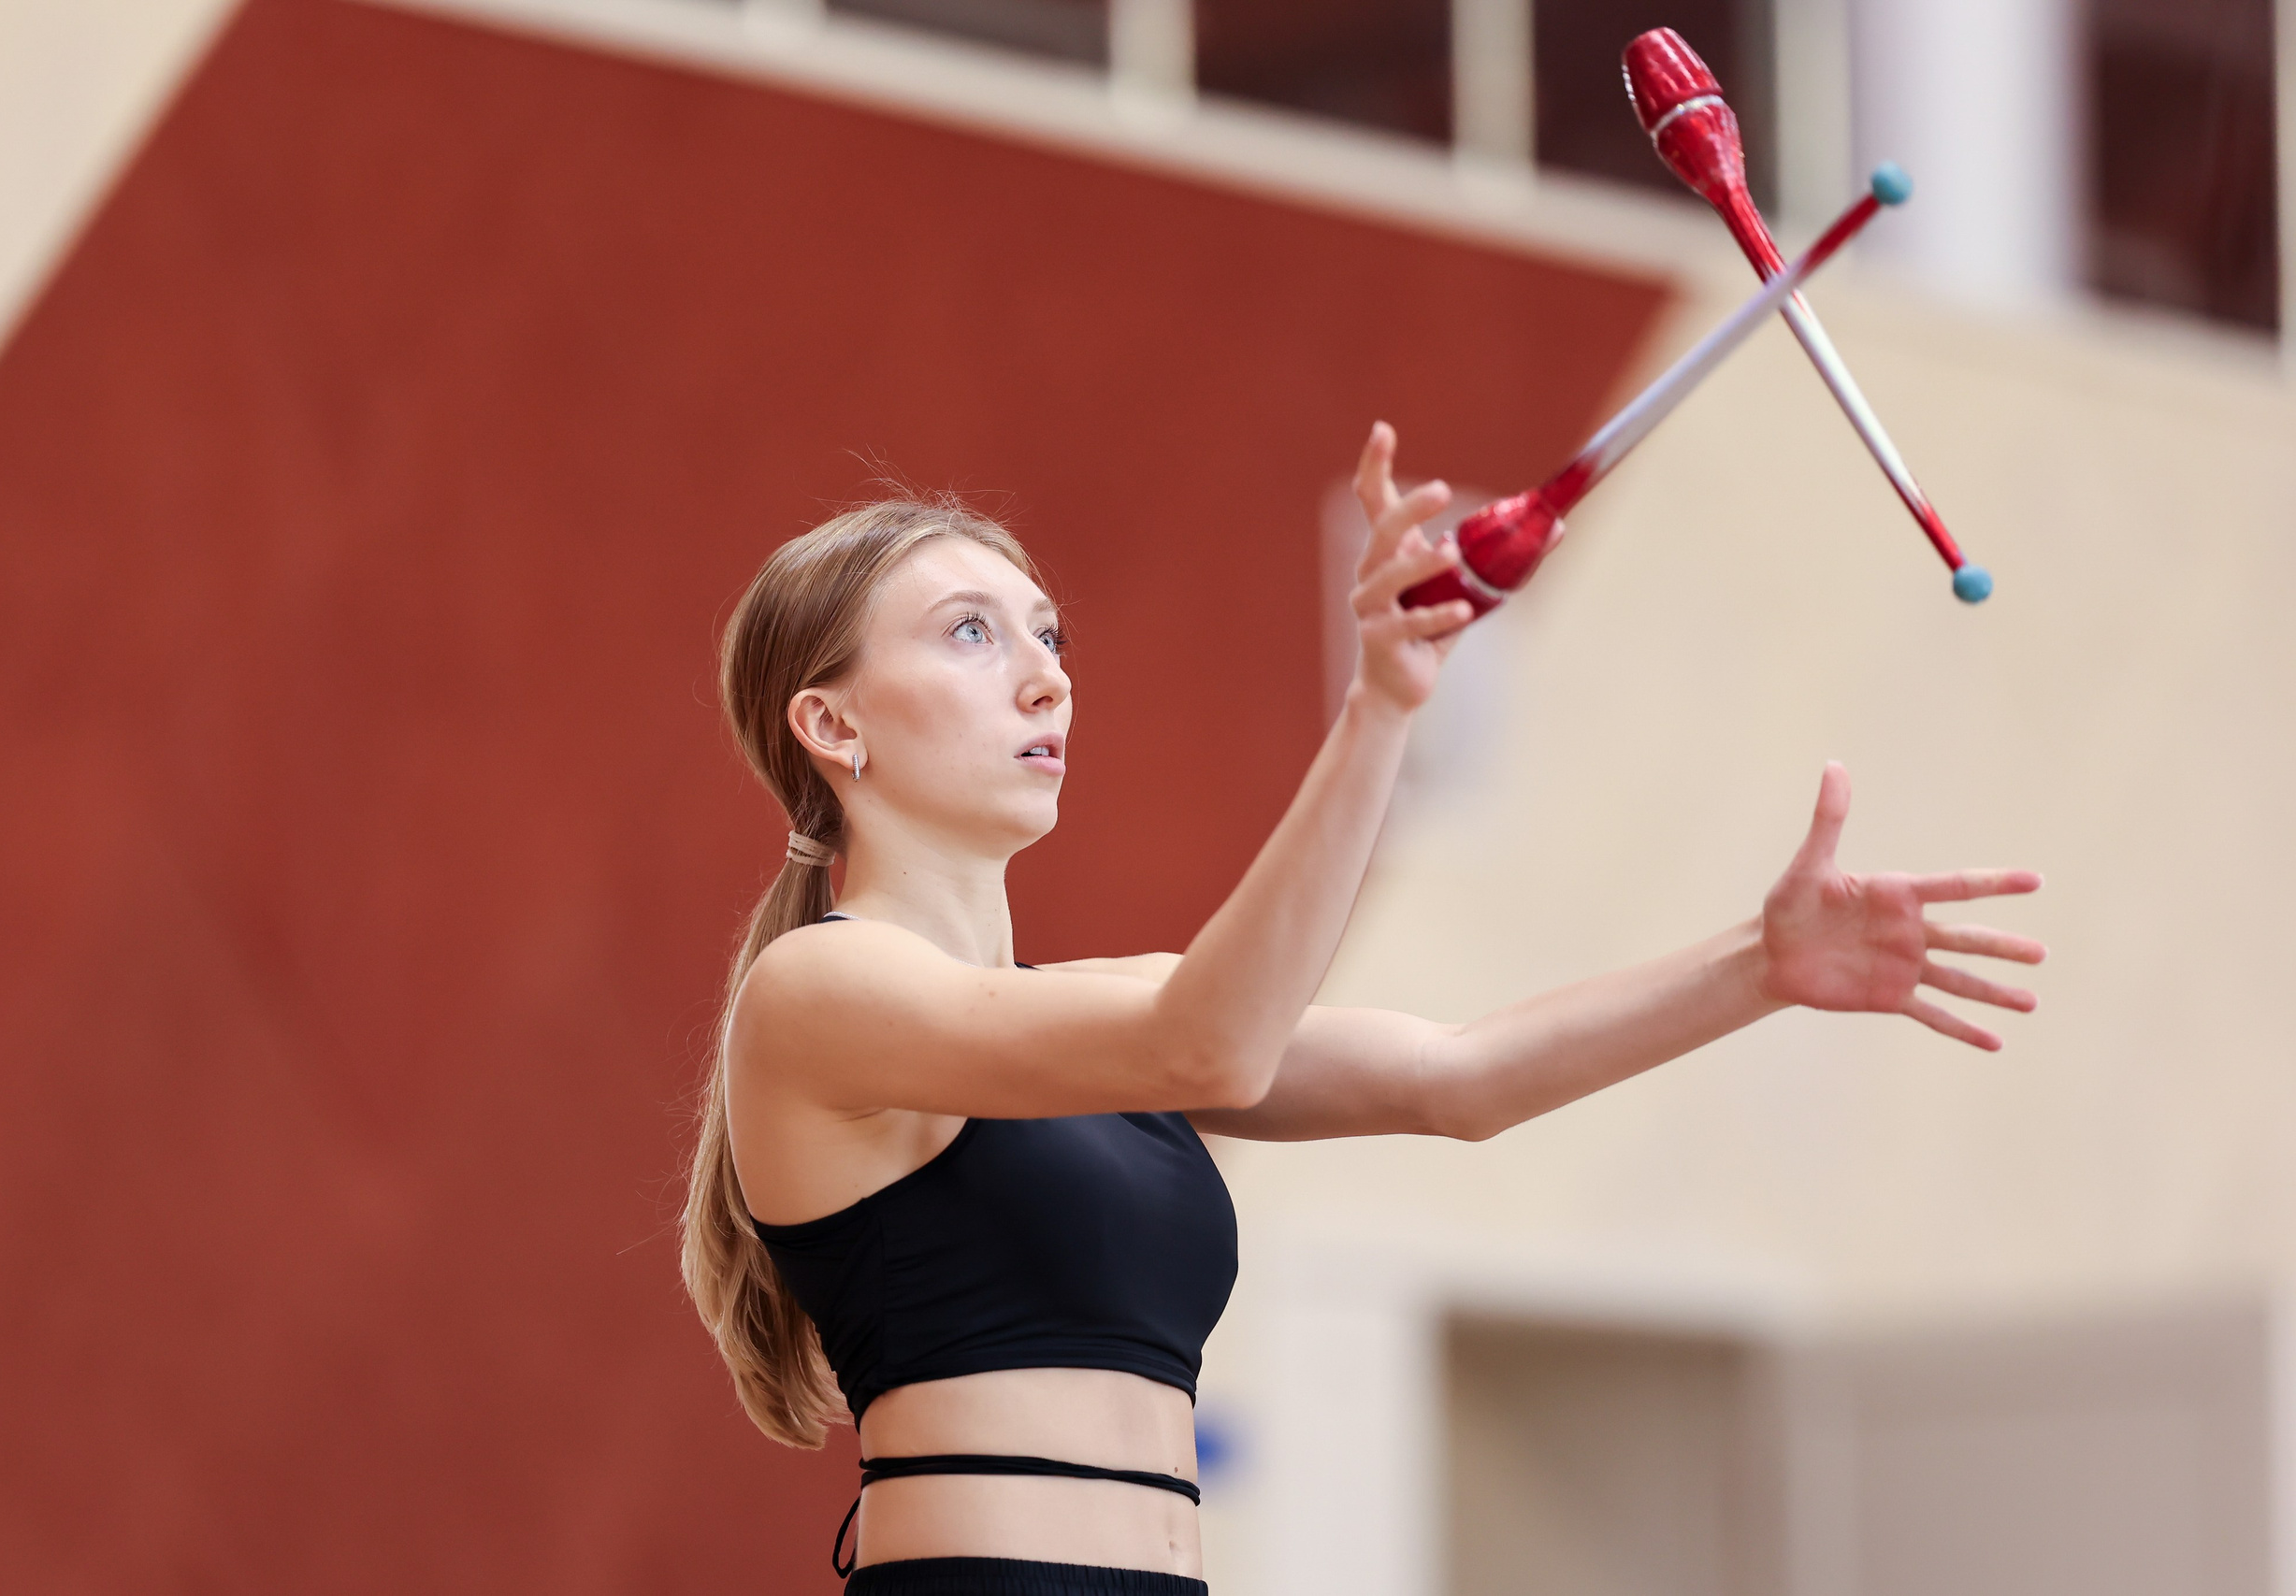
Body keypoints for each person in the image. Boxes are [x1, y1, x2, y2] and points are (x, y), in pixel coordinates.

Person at [681, 424, 2043, 1596]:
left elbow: (1459, 1080)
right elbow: (1211, 1042)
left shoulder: (1114, 1005)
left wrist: (1757, 966)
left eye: (1048, 632)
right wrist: (1380, 707)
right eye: (971, 633)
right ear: (832, 728)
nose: (1046, 674)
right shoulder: (816, 991)